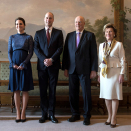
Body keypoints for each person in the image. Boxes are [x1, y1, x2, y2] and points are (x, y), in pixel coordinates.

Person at [62, 16, 98, 125]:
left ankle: (87, 116)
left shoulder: (90, 35)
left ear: (84, 23)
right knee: (73, 93)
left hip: (85, 70)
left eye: (80, 22)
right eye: (76, 22)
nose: (78, 23)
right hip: (72, 69)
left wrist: (93, 69)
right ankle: (75, 114)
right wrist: (66, 68)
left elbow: (94, 54)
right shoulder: (69, 35)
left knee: (86, 93)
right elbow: (66, 54)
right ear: (74, 23)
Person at [34, 12, 63, 123]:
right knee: (42, 91)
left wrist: (51, 59)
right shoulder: (38, 33)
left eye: (50, 18)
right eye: (46, 18)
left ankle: (51, 114)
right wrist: (44, 60)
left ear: (53, 20)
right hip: (42, 67)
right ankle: (43, 114)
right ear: (44, 19)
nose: (48, 20)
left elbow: (60, 48)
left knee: (52, 91)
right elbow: (36, 49)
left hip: (53, 66)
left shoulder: (58, 33)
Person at [98, 23, 125, 128]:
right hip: (105, 73)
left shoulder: (119, 44)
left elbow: (122, 60)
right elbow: (100, 60)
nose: (108, 33)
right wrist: (100, 74)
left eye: (110, 31)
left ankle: (114, 117)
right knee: (106, 96)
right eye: (106, 32)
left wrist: (122, 73)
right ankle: (109, 116)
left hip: (115, 73)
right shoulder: (101, 45)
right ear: (105, 34)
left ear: (114, 33)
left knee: (114, 96)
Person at [8, 17, 34, 122]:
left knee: (24, 89)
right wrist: (12, 64)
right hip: (14, 66)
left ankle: (23, 112)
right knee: (16, 89)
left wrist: (24, 63)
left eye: (20, 24)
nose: (19, 26)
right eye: (17, 24)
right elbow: (9, 52)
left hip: (25, 66)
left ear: (24, 25)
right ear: (15, 26)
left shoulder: (29, 37)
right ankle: (17, 113)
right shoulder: (12, 37)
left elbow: (31, 52)